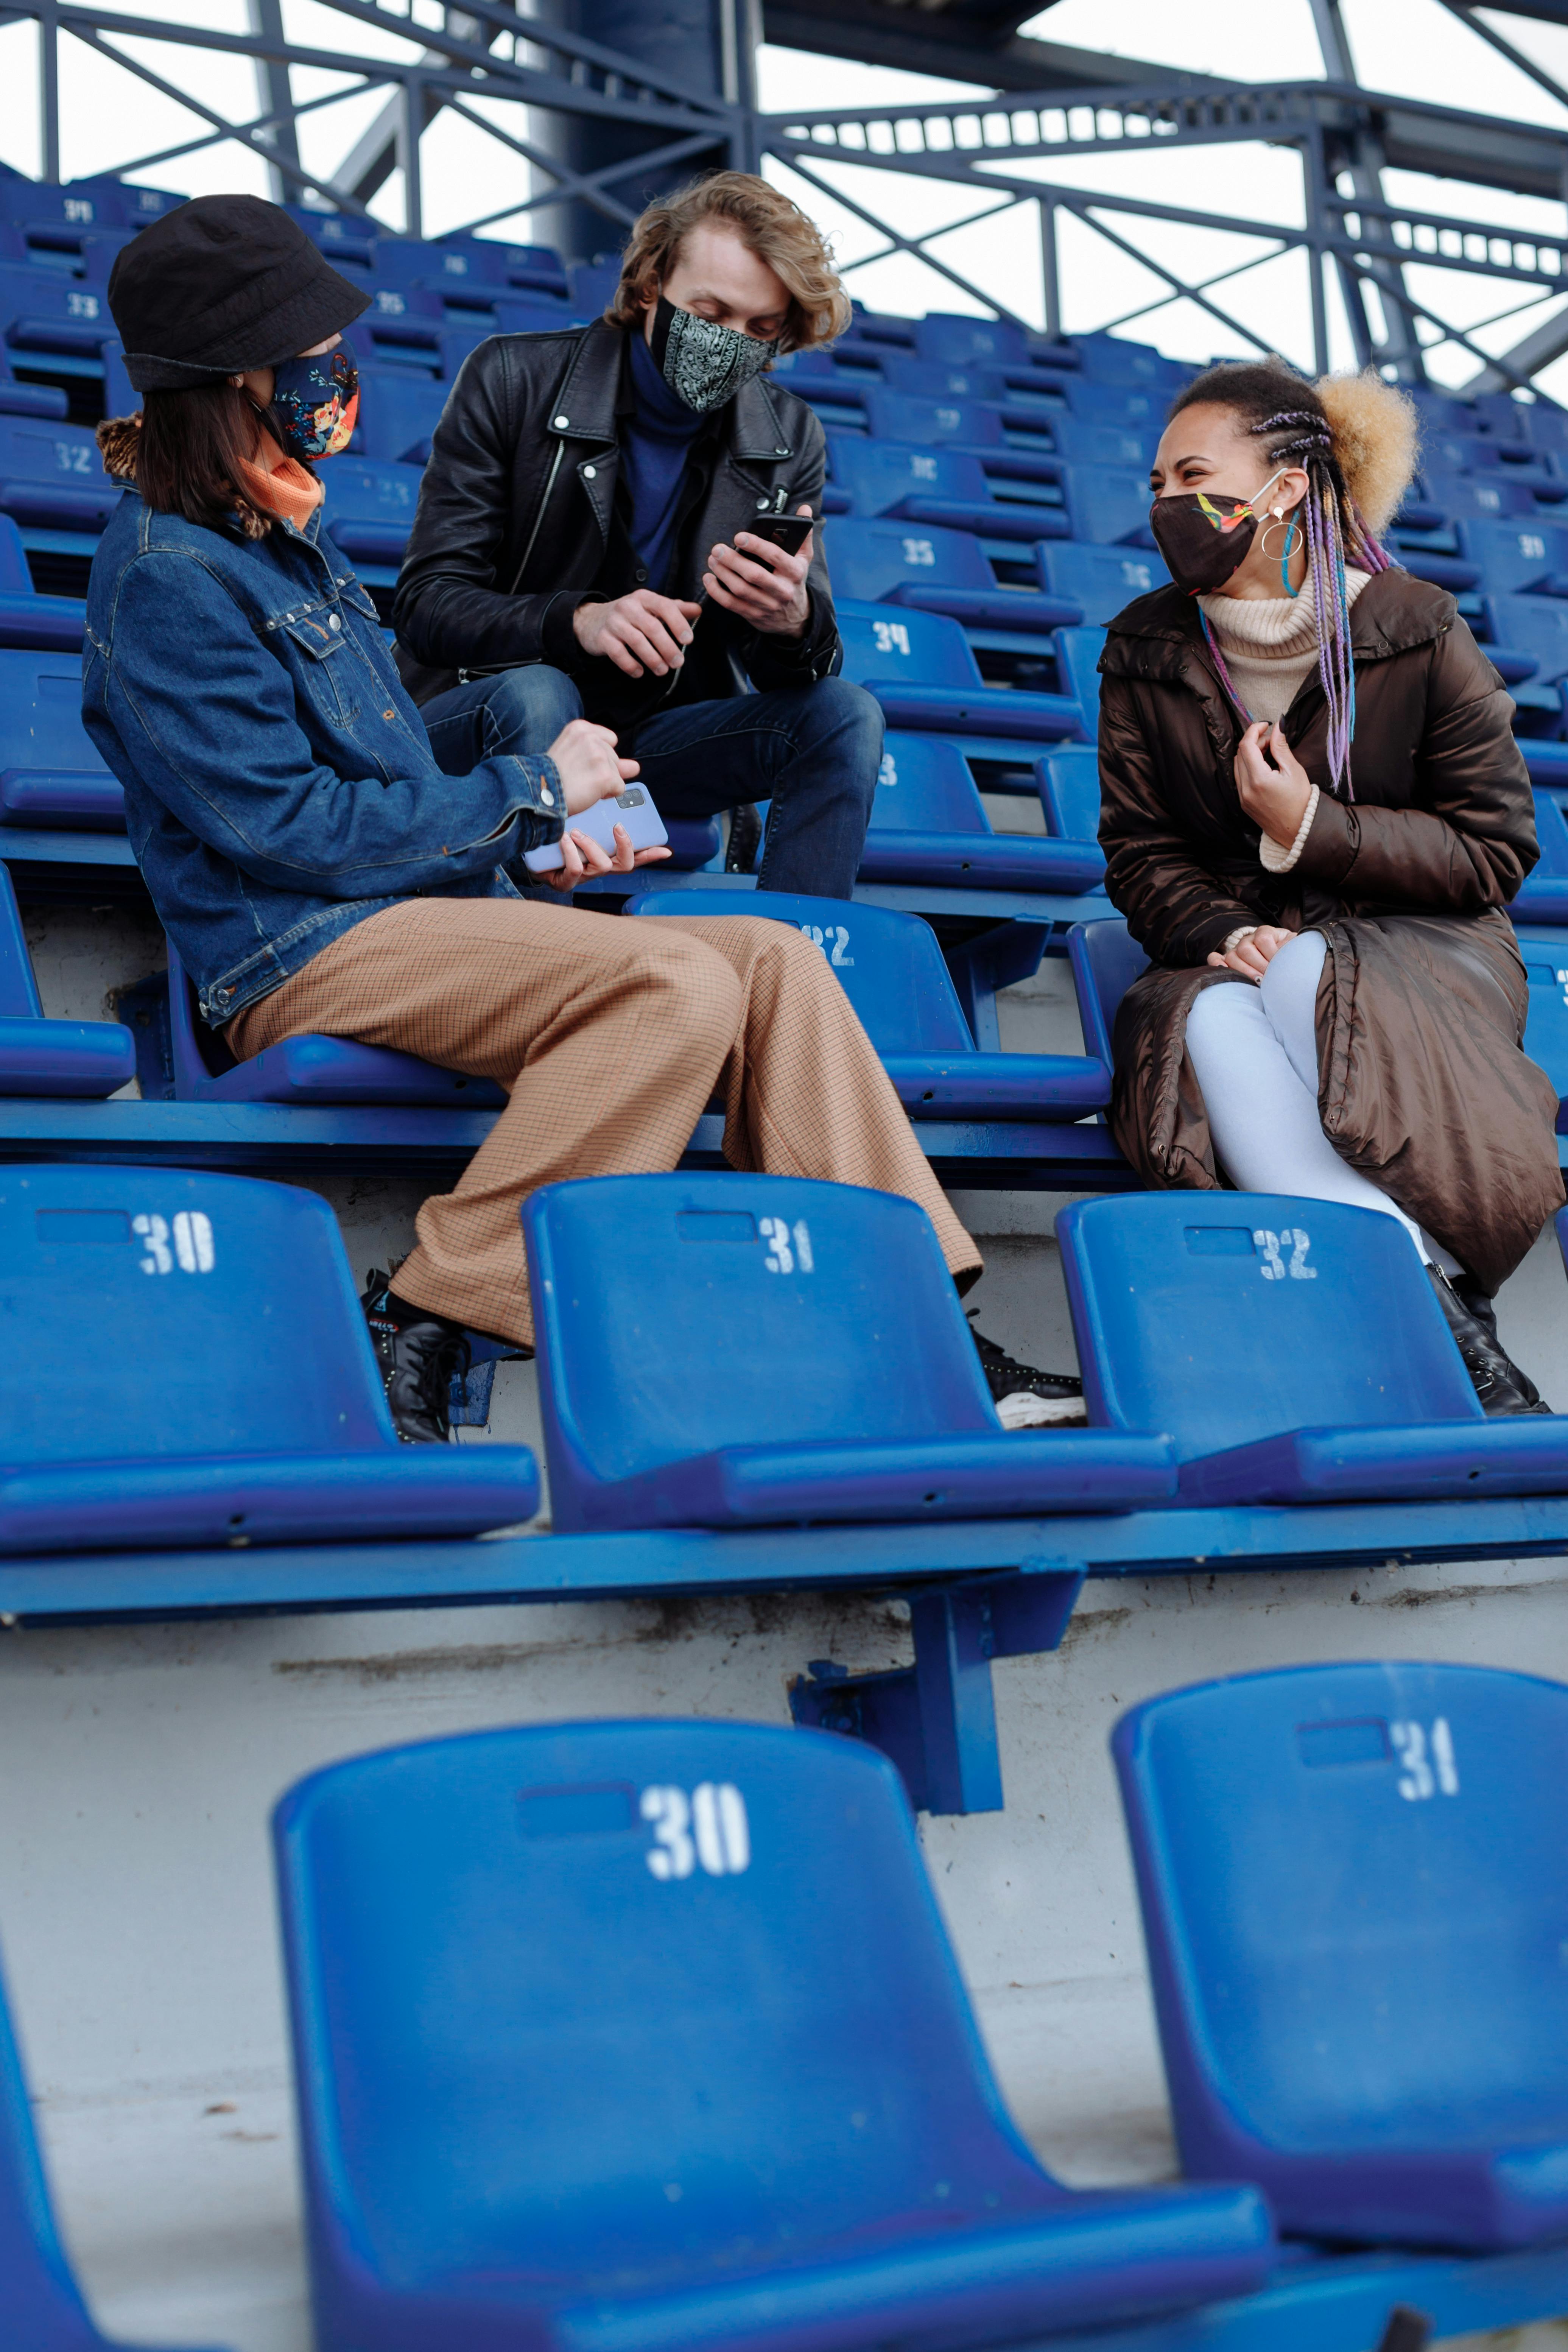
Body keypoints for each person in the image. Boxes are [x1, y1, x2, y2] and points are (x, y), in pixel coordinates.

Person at [84, 193, 1073, 1441]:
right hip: (294, 947)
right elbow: (291, 831)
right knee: (672, 986)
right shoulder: (172, 574)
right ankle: (434, 1313)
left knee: (771, 961)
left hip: (411, 913)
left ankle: (913, 1321)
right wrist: (528, 795)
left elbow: (385, 767)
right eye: (309, 360)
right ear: (236, 381)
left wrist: (530, 845)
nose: (337, 379)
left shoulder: (284, 541)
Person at [1098, 357, 1565, 1415]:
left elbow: (1493, 850)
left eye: (1195, 476)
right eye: (1159, 484)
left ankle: (1430, 1329)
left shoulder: (1416, 624)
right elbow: (1139, 852)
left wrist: (1308, 827)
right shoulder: (1144, 645)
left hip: (1426, 951)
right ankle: (1450, 1326)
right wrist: (1221, 929)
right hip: (1235, 955)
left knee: (1311, 968)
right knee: (1212, 1018)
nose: (1171, 505)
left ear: (1288, 487)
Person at [391, 171, 883, 901]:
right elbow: (428, 606)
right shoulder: (510, 377)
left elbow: (791, 677)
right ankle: (535, 963)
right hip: (494, 711)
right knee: (540, 690)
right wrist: (579, 621)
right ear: (651, 285)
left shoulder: (788, 434)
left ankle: (791, 968)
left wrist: (793, 624)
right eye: (711, 314)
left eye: (760, 330)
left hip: (648, 741)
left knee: (848, 715)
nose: (730, 345)